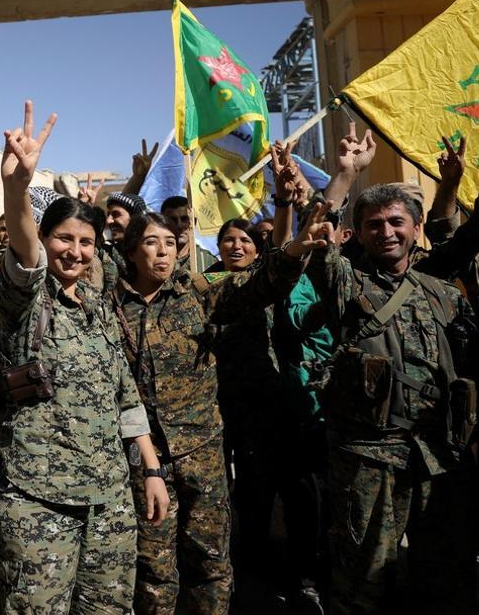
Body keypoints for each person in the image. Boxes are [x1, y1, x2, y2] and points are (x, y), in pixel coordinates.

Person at [0, 102, 169, 613]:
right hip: (39, 499)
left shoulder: (96, 305)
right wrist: (16, 189)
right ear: (46, 242)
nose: (76, 251)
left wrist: (151, 471)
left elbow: (124, 395)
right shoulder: (25, 300)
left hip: (109, 498)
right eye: (64, 239)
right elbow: (25, 255)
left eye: (87, 242)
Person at [113, 207, 330, 614]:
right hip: (143, 459)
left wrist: (297, 247)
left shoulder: (198, 295)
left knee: (210, 560)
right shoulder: (111, 307)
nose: (163, 253)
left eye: (171, 244)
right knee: (154, 567)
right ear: (130, 251)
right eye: (151, 243)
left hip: (202, 454)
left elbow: (260, 284)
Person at [305, 125, 479, 615]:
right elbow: (316, 233)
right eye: (374, 224)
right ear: (357, 233)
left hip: (437, 455)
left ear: (415, 228)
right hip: (368, 457)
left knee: (443, 576)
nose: (386, 232)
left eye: (396, 222)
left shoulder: (441, 293)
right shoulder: (346, 284)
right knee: (364, 578)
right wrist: (345, 175)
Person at [161, 194, 219, 273]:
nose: (179, 225)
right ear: (163, 223)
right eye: (173, 220)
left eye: (184, 219)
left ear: (194, 222)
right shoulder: (155, 258)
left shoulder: (208, 262)